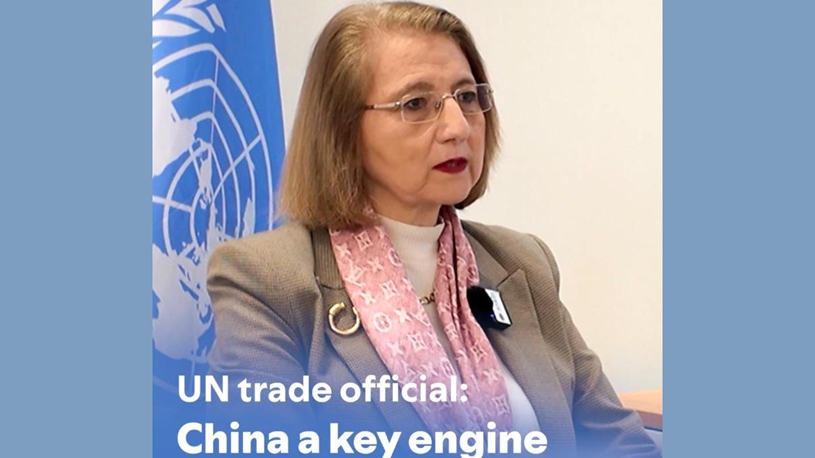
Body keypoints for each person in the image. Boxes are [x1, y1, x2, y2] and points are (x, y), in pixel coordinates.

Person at [207, 2, 660, 456]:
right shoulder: (265, 282)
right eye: (416, 104)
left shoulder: (521, 262)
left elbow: (619, 442)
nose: (457, 127)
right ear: (342, 130)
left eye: (467, 97)